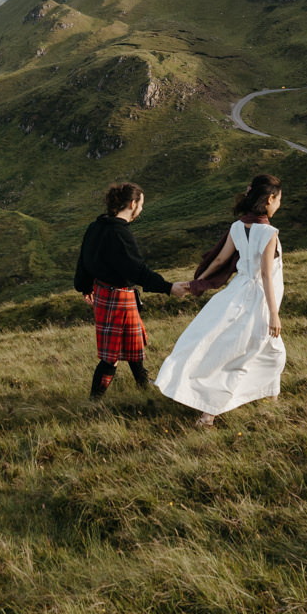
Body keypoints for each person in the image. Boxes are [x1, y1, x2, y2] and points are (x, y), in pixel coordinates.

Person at [156, 175, 286, 427]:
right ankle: (210, 412)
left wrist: (197, 283)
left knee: (269, 349)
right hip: (257, 297)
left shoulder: (237, 227)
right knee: (246, 353)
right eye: (279, 200)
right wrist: (274, 314)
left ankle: (272, 396)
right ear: (269, 200)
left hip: (237, 292)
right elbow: (267, 275)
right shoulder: (269, 232)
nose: (279, 204)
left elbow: (218, 260)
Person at [74, 182, 189, 400]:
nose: (142, 210)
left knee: (132, 342)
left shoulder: (96, 226)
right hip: (117, 296)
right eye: (142, 204)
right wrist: (168, 288)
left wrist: (84, 286)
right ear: (133, 204)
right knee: (112, 356)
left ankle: (143, 383)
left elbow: (85, 259)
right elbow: (137, 270)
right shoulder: (119, 233)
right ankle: (93, 401)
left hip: (106, 292)